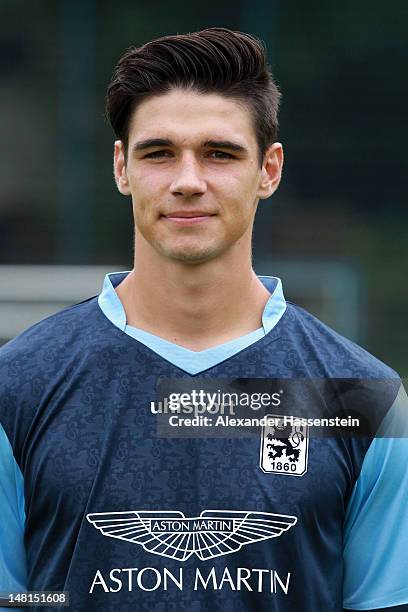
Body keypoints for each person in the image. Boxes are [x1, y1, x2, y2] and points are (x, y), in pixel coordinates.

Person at [0, 27, 407, 612]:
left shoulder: (359, 398)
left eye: (219, 153)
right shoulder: (19, 386)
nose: (188, 182)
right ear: (122, 168)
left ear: (268, 170)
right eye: (159, 152)